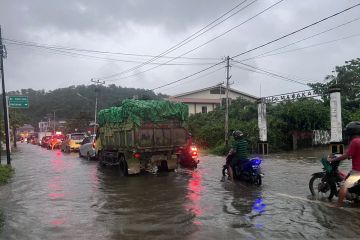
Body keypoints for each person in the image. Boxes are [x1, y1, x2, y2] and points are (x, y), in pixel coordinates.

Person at [328, 121, 360, 207]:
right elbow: (354, 153)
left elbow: (346, 155)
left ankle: (338, 205)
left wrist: (335, 159)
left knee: (344, 186)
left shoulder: (355, 141)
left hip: (357, 171)